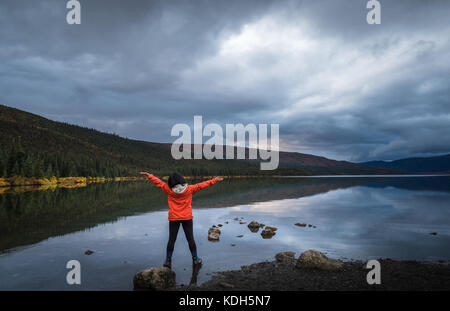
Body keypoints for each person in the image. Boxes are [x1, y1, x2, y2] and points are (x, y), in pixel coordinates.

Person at [139, 171, 223, 269]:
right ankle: (195, 259)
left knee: (172, 240)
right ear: (181, 179)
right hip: (187, 218)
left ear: (171, 182)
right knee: (190, 239)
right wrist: (214, 180)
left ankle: (168, 261)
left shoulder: (168, 190)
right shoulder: (190, 189)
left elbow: (159, 183)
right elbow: (202, 185)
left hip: (174, 218)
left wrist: (150, 176)